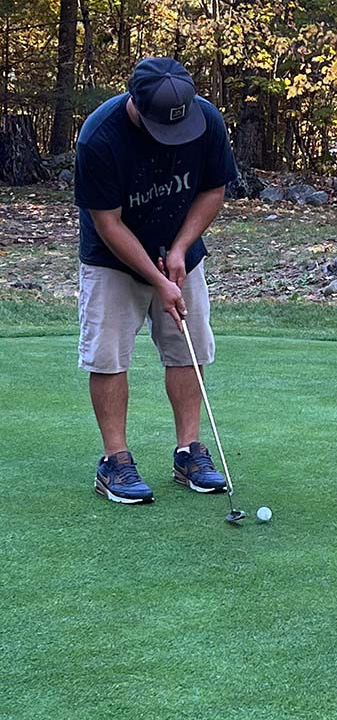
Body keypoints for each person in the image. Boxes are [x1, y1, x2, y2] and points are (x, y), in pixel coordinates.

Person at [74, 56, 238, 505]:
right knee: (107, 357)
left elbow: (213, 189)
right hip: (113, 260)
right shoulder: (99, 137)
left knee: (188, 347)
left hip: (179, 250)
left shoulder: (205, 118)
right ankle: (115, 461)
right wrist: (156, 278)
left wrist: (182, 248)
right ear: (136, 105)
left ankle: (189, 452)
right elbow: (108, 223)